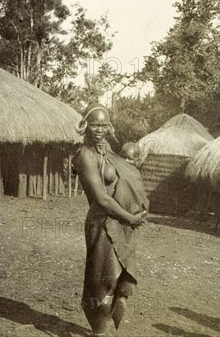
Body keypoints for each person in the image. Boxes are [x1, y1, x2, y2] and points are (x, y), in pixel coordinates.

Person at [73, 103, 149, 336]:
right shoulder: (84, 155)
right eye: (95, 124)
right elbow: (101, 199)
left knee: (115, 281)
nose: (99, 129)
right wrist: (130, 218)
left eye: (104, 125)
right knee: (104, 280)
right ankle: (98, 332)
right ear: (85, 125)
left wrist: (139, 208)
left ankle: (101, 331)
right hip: (101, 225)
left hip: (119, 224)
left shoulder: (107, 151)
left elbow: (129, 176)